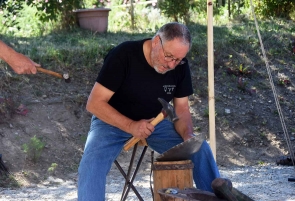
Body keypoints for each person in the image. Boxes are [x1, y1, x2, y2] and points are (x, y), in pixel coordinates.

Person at [78, 22, 220, 200]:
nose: (171, 64)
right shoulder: (123, 55)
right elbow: (94, 104)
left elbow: (181, 109)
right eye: (168, 56)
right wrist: (130, 126)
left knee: (200, 149)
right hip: (112, 121)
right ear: (156, 42)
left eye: (177, 60)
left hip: (155, 124)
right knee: (92, 164)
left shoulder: (180, 65)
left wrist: (188, 135)